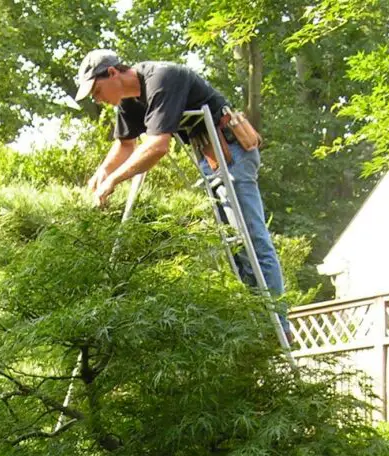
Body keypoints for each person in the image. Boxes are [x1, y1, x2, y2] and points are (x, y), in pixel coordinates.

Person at [75, 49, 285, 300]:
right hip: (210, 157)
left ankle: (278, 324)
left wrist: (113, 180)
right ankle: (260, 320)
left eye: (97, 91)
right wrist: (103, 171)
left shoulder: (161, 79)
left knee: (251, 240)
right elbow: (125, 144)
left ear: (112, 73)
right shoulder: (129, 101)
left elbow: (157, 146)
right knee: (236, 247)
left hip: (232, 152)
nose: (97, 100)